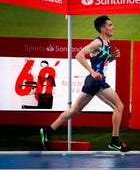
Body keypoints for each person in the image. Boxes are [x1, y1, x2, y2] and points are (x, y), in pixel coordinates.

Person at [40, 15, 130, 152]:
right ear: (102, 28)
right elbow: (79, 55)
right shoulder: (98, 43)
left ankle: (48, 130)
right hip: (96, 81)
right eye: (110, 25)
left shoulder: (107, 42)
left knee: (75, 110)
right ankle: (114, 141)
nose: (113, 27)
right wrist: (92, 72)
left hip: (93, 81)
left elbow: (101, 62)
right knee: (119, 107)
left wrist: (112, 58)